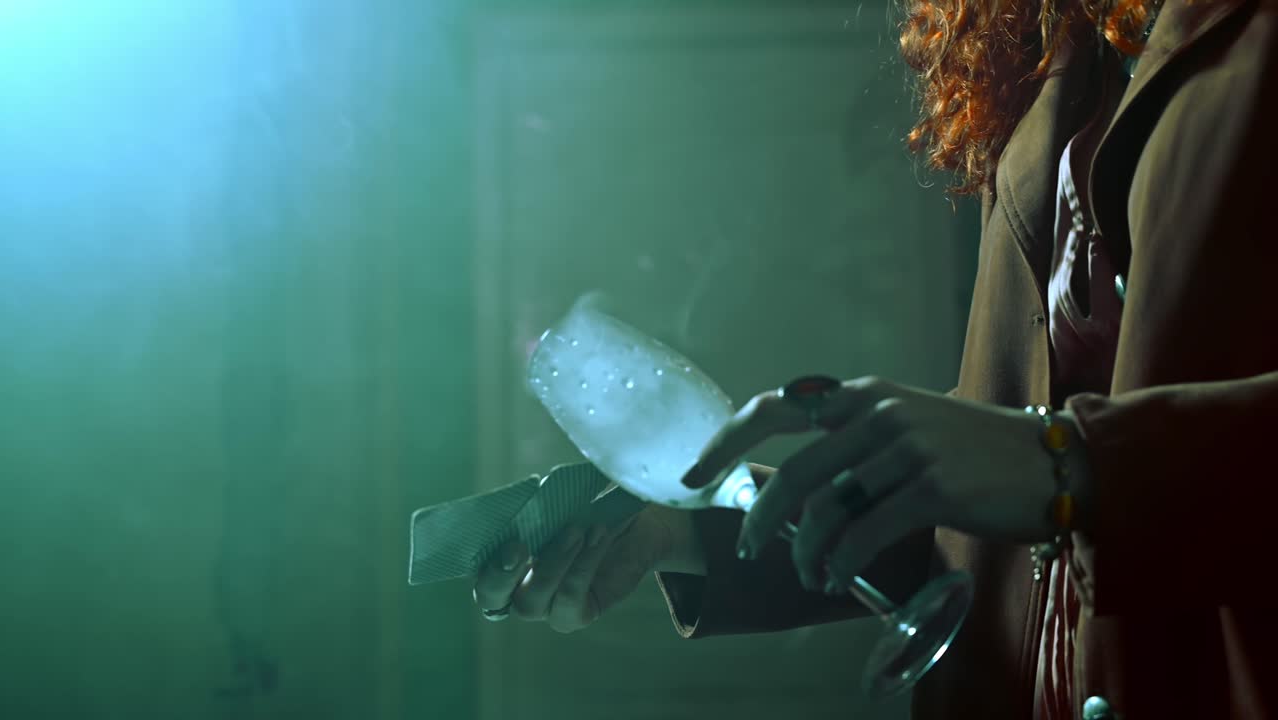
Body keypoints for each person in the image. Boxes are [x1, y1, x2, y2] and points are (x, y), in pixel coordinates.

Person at [471, 0, 1278, 715]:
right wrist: (686, 534)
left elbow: (1045, 469)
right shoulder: (1057, 45)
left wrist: (1068, 466)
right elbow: (994, 499)